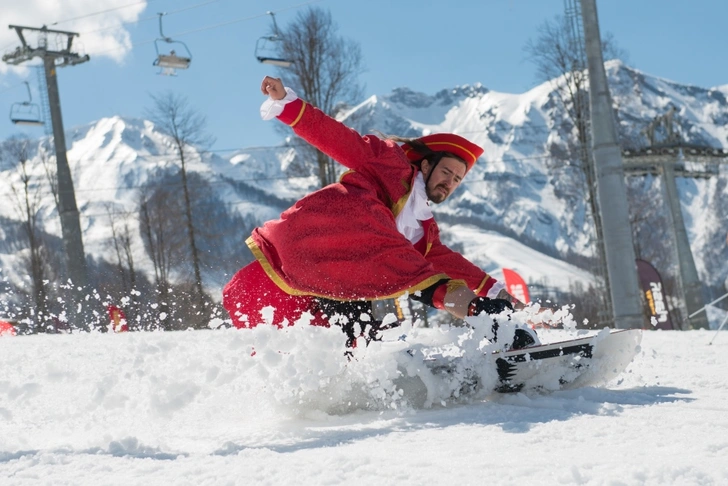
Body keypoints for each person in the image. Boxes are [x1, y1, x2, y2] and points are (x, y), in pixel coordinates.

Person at [223, 76, 539, 350]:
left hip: (333, 282)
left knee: (353, 341)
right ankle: (479, 317)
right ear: (426, 165)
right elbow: (337, 138)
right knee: (402, 269)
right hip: (301, 256)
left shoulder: (421, 231)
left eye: (458, 179)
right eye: (447, 172)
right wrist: (287, 105)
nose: (450, 182)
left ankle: (372, 381)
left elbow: (446, 263)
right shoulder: (388, 163)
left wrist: (502, 298)